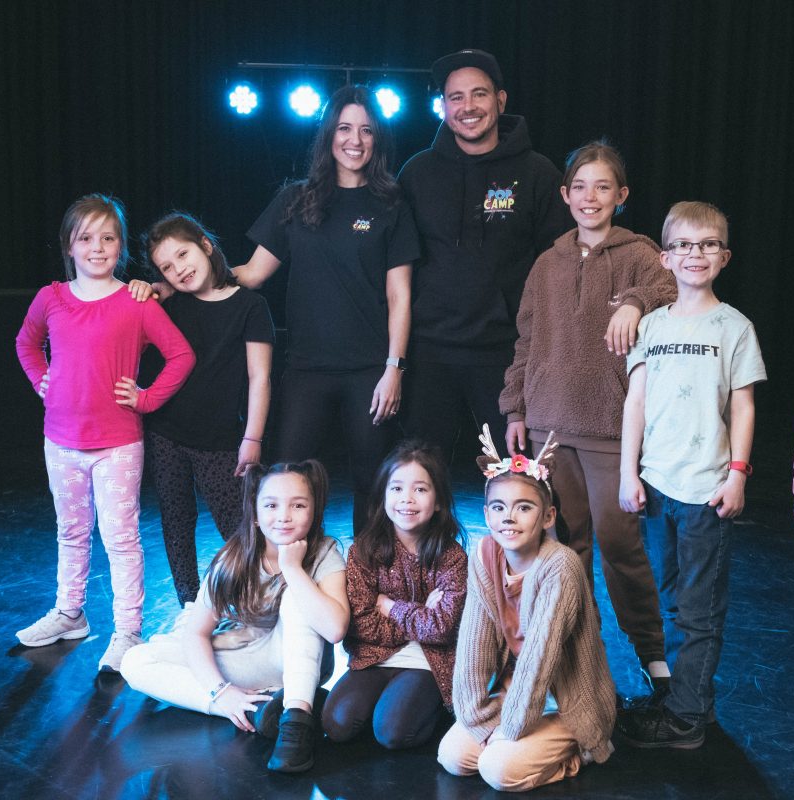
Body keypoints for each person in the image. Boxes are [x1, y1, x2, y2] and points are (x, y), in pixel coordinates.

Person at [500, 140, 676, 701]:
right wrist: (516, 408)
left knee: (621, 544)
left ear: (620, 196)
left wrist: (633, 301)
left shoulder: (639, 254)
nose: (590, 197)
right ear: (565, 195)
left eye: (603, 187)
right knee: (565, 548)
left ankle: (652, 655)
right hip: (550, 426)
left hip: (609, 427)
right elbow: (527, 339)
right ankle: (578, 661)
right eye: (580, 186)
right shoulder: (547, 262)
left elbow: (670, 286)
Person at [14, 194, 195, 673]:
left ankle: (128, 631)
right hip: (61, 442)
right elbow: (26, 343)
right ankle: (69, 614)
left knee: (121, 540)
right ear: (69, 246)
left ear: (121, 246)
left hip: (117, 445)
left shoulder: (136, 301)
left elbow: (181, 355)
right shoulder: (50, 298)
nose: (98, 247)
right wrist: (42, 381)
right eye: (86, 238)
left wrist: (147, 398)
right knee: (71, 533)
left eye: (108, 238)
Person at [232, 84, 417, 534]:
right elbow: (253, 274)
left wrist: (394, 368)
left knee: (374, 485)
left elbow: (401, 296)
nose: (355, 140)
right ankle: (291, 583)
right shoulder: (296, 199)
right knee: (288, 481)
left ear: (378, 139)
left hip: (369, 372)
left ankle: (365, 586)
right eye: (344, 128)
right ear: (329, 134)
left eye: (366, 130)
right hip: (306, 369)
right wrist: (179, 280)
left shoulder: (390, 204)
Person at [618, 201, 767, 748]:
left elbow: (744, 406)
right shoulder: (652, 327)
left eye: (707, 245)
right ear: (665, 258)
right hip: (657, 487)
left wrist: (738, 475)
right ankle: (688, 701)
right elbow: (635, 402)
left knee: (699, 609)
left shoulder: (735, 328)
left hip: (706, 491)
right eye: (683, 244)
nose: (695, 254)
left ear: (724, 257)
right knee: (673, 600)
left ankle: (685, 719)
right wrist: (628, 473)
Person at [119, 460, 349, 774]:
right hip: (247, 660)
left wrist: (293, 569)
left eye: (298, 505)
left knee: (298, 596)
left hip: (296, 659)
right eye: (271, 505)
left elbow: (335, 629)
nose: (283, 516)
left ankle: (296, 719)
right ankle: (257, 709)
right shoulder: (234, 558)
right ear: (254, 515)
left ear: (314, 510)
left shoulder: (324, 552)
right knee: (135, 661)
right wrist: (221, 692)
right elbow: (196, 633)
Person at [398, 49, 572, 460]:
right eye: (456, 97)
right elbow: (396, 267)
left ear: (501, 100)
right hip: (429, 350)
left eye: (479, 94)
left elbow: (560, 263)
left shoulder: (538, 173)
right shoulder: (417, 173)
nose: (468, 106)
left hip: (506, 352)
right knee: (419, 475)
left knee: (519, 474)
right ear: (443, 105)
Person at [437, 425, 617, 792]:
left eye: (524, 507)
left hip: (563, 701)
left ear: (548, 517)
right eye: (499, 508)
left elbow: (538, 658)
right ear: (487, 514)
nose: (509, 517)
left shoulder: (559, 566)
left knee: (497, 770)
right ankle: (512, 742)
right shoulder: (485, 555)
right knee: (454, 757)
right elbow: (473, 647)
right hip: (514, 693)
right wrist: (476, 718)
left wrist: (507, 732)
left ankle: (578, 751)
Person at [131, 212, 274, 607]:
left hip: (220, 438)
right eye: (166, 266)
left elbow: (259, 377)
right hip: (167, 433)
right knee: (176, 524)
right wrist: (147, 288)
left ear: (205, 246)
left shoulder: (250, 306)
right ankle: (188, 606)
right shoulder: (169, 301)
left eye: (182, 254)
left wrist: (253, 438)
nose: (178, 269)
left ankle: (252, 604)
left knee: (237, 528)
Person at [322, 440, 468, 749]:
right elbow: (361, 624)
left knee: (392, 733)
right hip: (374, 658)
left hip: (429, 661)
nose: (407, 499)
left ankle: (439, 707)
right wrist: (420, 614)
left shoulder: (451, 556)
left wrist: (389, 605)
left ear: (439, 501)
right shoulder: (363, 551)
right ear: (383, 496)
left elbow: (441, 630)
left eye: (421, 489)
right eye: (397, 488)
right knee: (337, 724)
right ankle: (396, 701)